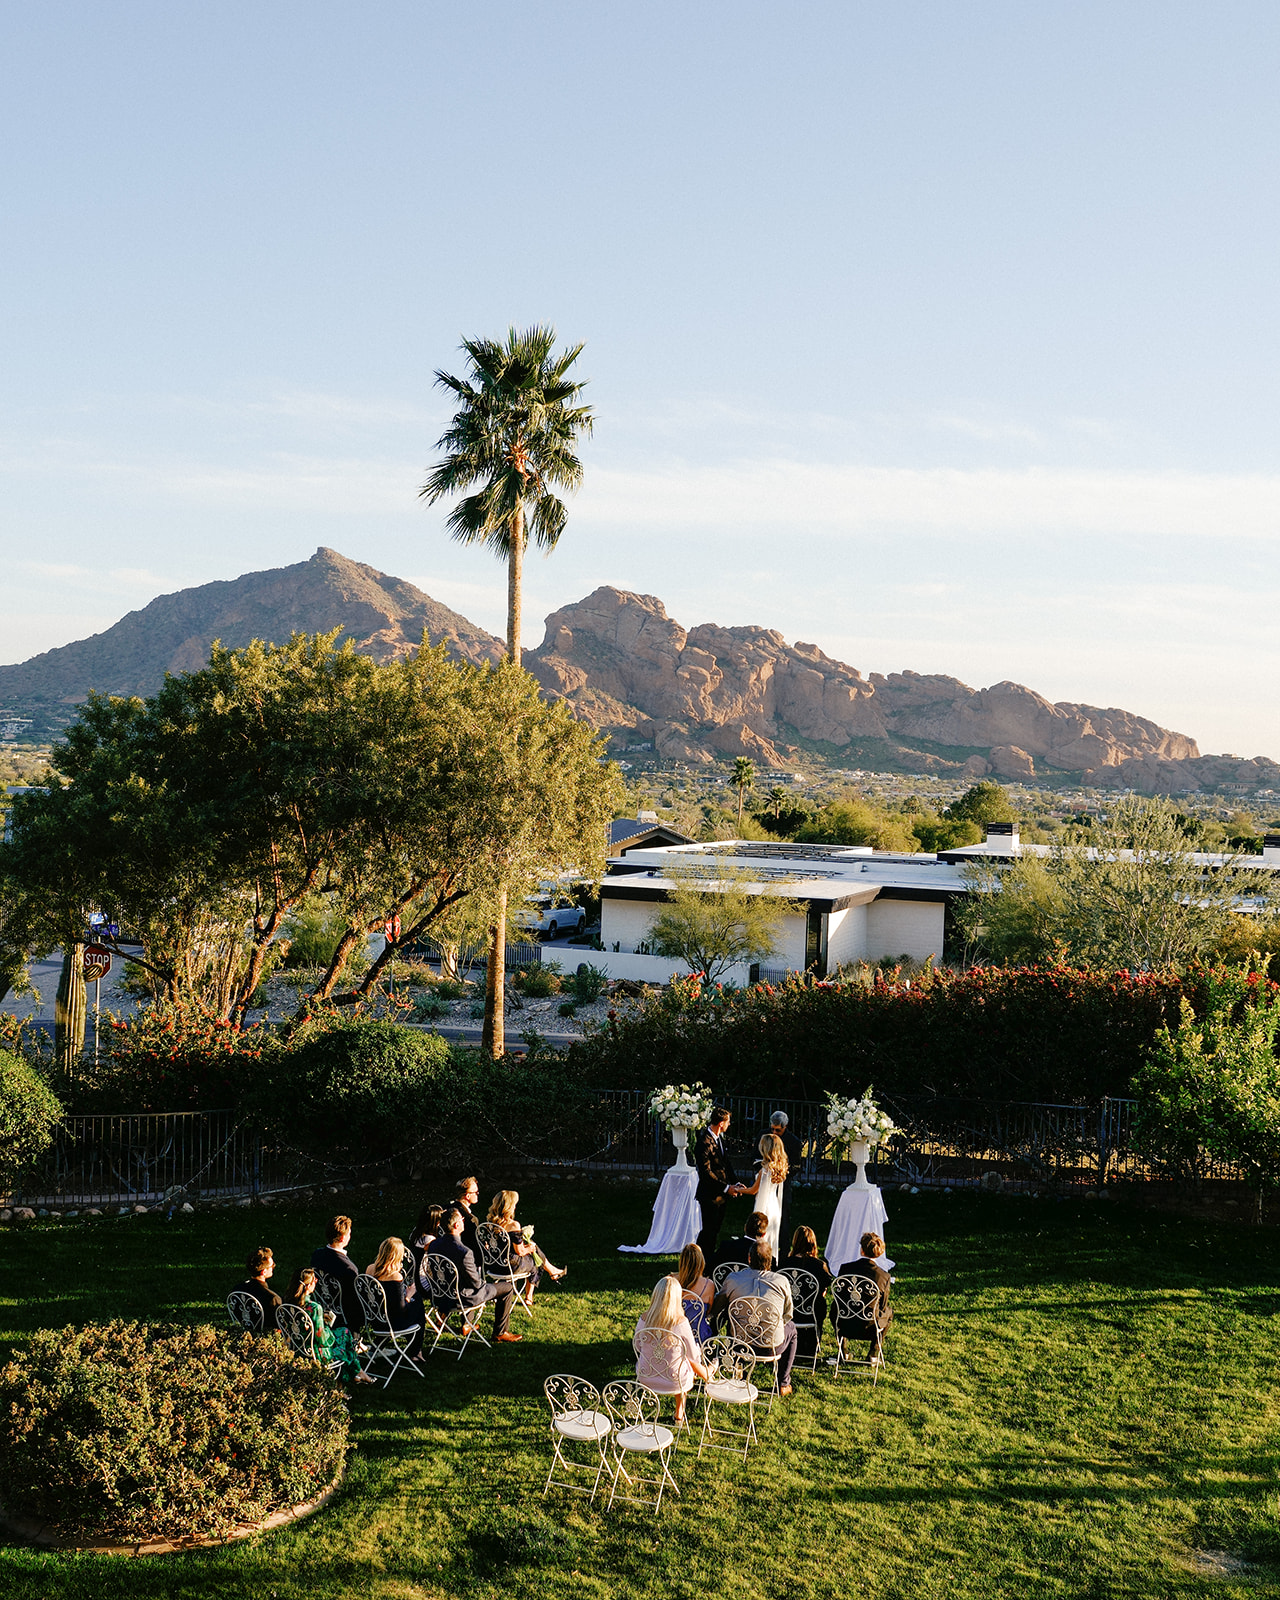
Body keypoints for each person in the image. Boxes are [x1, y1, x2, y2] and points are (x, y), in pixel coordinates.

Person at [716, 1241, 800, 1397]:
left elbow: (718, 1307)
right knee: (792, 1329)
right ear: (771, 1261)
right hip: (771, 1346)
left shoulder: (733, 1279)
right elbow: (788, 1315)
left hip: (739, 1344)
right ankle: (783, 1383)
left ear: (749, 1258)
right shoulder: (781, 1282)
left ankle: (737, 1370)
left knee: (731, 1319)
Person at [428, 1205, 522, 1343]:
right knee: (507, 1288)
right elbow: (476, 1283)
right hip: (462, 1298)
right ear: (457, 1224)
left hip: (440, 1297)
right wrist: (485, 1284)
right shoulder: (464, 1252)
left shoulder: (434, 1245)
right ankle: (500, 1332)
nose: (463, 1221)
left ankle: (468, 1324)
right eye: (462, 1219)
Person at [633, 1275, 709, 1425]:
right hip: (675, 1381)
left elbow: (637, 1346)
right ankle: (678, 1414)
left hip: (645, 1376)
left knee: (681, 1361)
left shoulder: (644, 1319)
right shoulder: (681, 1322)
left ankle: (708, 1373)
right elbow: (693, 1355)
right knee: (685, 1361)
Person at [283, 1266, 374, 1384]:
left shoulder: (287, 1302)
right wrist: (329, 1331)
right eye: (315, 1280)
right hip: (316, 1353)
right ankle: (351, 1377)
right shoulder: (314, 1308)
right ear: (309, 1285)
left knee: (344, 1332)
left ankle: (356, 1374)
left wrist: (321, 1321)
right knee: (346, 1341)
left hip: (297, 1348)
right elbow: (323, 1340)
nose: (316, 1281)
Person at [486, 1189, 566, 1310]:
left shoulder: (489, 1223)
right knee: (536, 1262)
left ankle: (552, 1270)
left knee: (533, 1248)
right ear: (509, 1207)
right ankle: (529, 1297)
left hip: (493, 1265)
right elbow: (520, 1251)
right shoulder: (513, 1225)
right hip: (509, 1266)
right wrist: (531, 1248)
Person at [834, 1231, 893, 1364]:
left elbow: (839, 1297)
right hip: (869, 1326)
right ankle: (874, 1351)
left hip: (845, 1323)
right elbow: (883, 1306)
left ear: (862, 1250)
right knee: (888, 1312)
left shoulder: (845, 1269)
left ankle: (843, 1349)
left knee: (835, 1308)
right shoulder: (883, 1277)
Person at [778, 1224, 834, 1361]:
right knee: (820, 1299)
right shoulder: (819, 1266)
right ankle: (812, 1344)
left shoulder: (784, 1263)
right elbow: (826, 1286)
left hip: (788, 1311)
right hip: (811, 1313)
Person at [694, 1108, 742, 1259]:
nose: (729, 1125)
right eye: (728, 1122)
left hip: (720, 1194)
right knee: (708, 1230)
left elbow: (725, 1164)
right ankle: (702, 1260)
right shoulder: (704, 1142)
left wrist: (736, 1182)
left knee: (715, 1229)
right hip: (709, 1194)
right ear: (721, 1123)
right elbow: (706, 1173)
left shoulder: (719, 1138)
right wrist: (727, 1188)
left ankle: (707, 1259)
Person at [366, 1236, 425, 1358]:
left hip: (376, 1318)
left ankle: (377, 1345)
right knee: (418, 1302)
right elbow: (401, 1309)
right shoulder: (395, 1276)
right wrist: (408, 1295)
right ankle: (416, 1351)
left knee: (414, 1303)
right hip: (393, 1323)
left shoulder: (370, 1269)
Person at [734, 1133, 789, 1259]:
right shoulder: (779, 1167)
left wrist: (739, 1189)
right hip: (774, 1204)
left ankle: (758, 1258)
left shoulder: (764, 1170)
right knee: (770, 1233)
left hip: (764, 1204)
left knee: (758, 1232)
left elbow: (754, 1190)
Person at [311, 1214, 362, 1329]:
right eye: (349, 1233)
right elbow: (355, 1298)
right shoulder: (348, 1268)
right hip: (344, 1316)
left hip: (323, 1305)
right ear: (342, 1238)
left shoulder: (317, 1255)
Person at [770, 1111, 804, 1251]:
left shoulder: (794, 1142)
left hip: (783, 1183)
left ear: (785, 1126)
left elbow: (796, 1166)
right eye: (772, 1129)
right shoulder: (764, 1135)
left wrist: (782, 1173)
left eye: (778, 1130)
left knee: (784, 1218)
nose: (774, 1132)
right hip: (767, 1180)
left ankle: (783, 1250)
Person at [233, 1245, 281, 1330]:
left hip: (243, 1334)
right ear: (264, 1272)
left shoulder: (237, 1290)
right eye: (272, 1265)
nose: (274, 1267)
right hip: (264, 1339)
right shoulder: (272, 1298)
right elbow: (278, 1327)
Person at [675, 1241, 714, 1341]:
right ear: (701, 1261)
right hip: (697, 1336)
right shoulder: (708, 1285)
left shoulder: (671, 1280)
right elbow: (708, 1311)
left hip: (674, 1334)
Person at [407, 1203, 445, 1288]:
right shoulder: (429, 1240)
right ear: (437, 1223)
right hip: (421, 1280)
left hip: (411, 1274)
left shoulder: (416, 1231)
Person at [452, 1176, 482, 1255]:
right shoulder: (470, 1219)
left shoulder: (446, 1209)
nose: (477, 1194)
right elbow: (475, 1244)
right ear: (468, 1196)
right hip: (464, 1255)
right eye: (476, 1192)